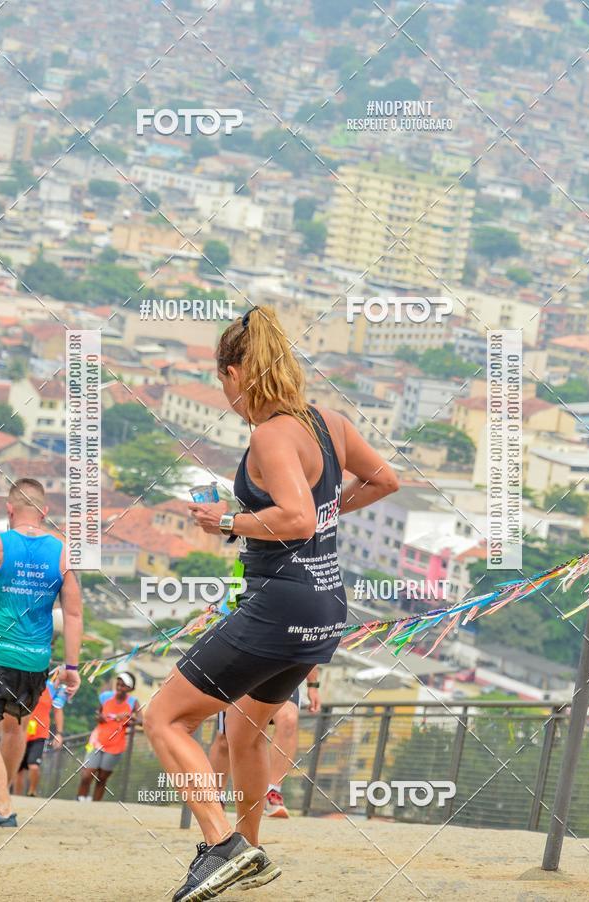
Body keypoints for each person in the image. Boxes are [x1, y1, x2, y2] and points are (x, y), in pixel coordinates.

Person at [144, 305, 399, 901]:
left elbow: (297, 516)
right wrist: (319, 516)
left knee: (164, 717)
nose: (221, 391)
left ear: (237, 373)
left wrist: (228, 520)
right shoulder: (327, 422)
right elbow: (385, 480)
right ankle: (249, 850)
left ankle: (221, 846)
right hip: (324, 606)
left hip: (278, 604)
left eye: (220, 378)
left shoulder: (272, 433)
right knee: (245, 730)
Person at [0, 478, 82, 827]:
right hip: (35, 659)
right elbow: (73, 614)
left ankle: (2, 807)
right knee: (16, 729)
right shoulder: (62, 552)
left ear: (9, 509)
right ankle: (3, 798)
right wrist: (72, 665)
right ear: (45, 512)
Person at [209, 668, 321, 818]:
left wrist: (313, 685)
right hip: (245, 666)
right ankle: (215, 796)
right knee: (226, 738)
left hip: (284, 671)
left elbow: (311, 646)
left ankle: (272, 793)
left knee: (289, 721)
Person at [76, 672, 141, 801]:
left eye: (124, 685)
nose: (120, 687)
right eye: (118, 684)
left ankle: (95, 804)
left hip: (116, 745)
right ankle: (79, 799)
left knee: (102, 778)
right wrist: (99, 717)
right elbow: (98, 714)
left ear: (131, 689)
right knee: (87, 775)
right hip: (97, 741)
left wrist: (129, 718)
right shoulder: (105, 697)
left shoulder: (133, 702)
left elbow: (140, 721)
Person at [14, 677, 67, 797]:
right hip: (22, 731)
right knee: (19, 769)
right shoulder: (24, 683)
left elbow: (58, 711)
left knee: (33, 765)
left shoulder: (52, 688)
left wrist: (59, 733)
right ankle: (17, 797)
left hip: (40, 733)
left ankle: (32, 791)